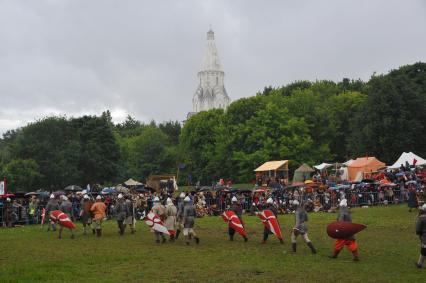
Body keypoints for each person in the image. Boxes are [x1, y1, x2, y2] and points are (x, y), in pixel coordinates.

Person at [415, 203, 426, 268]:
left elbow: (418, 229)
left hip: (424, 236)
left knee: (424, 250)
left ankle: (419, 264)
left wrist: (419, 235)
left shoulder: (421, 218)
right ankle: (419, 263)